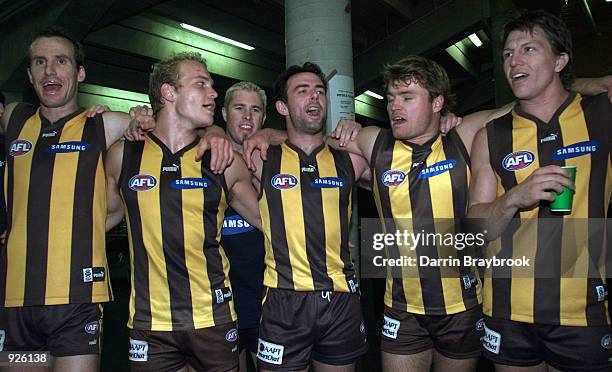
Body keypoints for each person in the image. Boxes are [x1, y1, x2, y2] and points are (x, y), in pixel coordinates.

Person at [0, 27, 157, 372]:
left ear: (80, 73)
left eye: (61, 61)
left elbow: (174, 127)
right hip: (16, 302)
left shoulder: (105, 124)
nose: (50, 71)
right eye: (39, 62)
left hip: (77, 300)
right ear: (29, 75)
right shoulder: (14, 118)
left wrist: (142, 116)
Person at [466, 10, 610, 372]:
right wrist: (515, 197)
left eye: (529, 49)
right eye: (508, 53)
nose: (514, 61)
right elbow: (475, 227)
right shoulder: (492, 135)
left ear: (560, 60)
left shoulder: (602, 115)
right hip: (508, 310)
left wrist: (591, 83)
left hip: (584, 311)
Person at [105, 52, 261, 372]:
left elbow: (271, 220)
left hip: (213, 318)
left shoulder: (224, 159)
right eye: (201, 84)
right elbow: (96, 221)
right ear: (169, 92)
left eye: (212, 86)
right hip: (151, 322)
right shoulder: (123, 155)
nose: (213, 93)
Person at [237, 62, 370, 372]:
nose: (314, 98)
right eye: (303, 91)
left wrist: (361, 131)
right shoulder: (260, 157)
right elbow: (214, 142)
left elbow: (403, 156)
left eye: (320, 92)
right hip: (283, 302)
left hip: (340, 299)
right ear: (282, 106)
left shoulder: (352, 157)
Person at [219, 81, 267, 370]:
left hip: (268, 302)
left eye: (255, 110)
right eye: (239, 108)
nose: (247, 117)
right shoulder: (200, 157)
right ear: (224, 114)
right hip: (217, 305)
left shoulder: (276, 161)